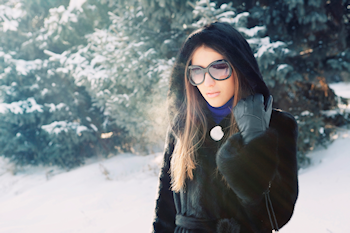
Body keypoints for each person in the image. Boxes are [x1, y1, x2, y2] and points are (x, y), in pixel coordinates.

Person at [152, 22, 298, 233]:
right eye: (197, 71)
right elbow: (164, 214)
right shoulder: (183, 127)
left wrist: (254, 140)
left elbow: (277, 216)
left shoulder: (275, 126)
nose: (208, 82)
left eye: (219, 68)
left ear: (239, 67)